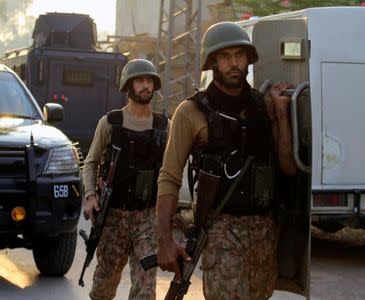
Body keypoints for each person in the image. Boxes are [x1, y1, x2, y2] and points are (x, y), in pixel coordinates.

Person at [156, 21, 297, 299]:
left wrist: (282, 114)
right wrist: (164, 240)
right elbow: (169, 177)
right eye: (224, 57)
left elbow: (288, 167)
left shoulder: (264, 105)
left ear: (248, 58)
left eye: (239, 55)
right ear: (212, 63)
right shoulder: (191, 112)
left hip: (265, 230)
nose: (233, 63)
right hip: (220, 229)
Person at [83, 59, 168, 300]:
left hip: (147, 219)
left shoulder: (163, 126)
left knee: (146, 287)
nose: (146, 86)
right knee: (104, 284)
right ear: (127, 86)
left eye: (150, 81)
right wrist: (90, 196)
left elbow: (171, 170)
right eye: (140, 80)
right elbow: (90, 162)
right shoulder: (110, 123)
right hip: (114, 217)